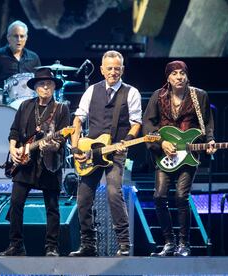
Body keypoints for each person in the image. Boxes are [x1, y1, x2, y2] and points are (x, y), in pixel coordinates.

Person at [69, 50, 142, 257]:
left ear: (122, 70)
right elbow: (77, 121)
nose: (113, 72)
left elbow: (136, 123)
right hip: (90, 152)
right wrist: (75, 148)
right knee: (83, 198)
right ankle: (88, 244)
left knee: (113, 193)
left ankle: (124, 243)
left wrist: (126, 142)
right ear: (101, 70)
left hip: (116, 151)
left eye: (117, 69)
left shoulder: (131, 93)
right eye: (109, 68)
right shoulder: (92, 90)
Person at [142, 60, 216, 257]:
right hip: (164, 154)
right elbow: (148, 125)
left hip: (189, 153)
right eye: (174, 73)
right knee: (159, 196)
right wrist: (161, 144)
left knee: (181, 197)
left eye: (182, 73)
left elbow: (207, 122)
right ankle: (169, 242)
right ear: (168, 77)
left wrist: (210, 141)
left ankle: (184, 243)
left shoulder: (199, 95)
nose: (179, 77)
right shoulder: (159, 96)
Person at [0, 67, 70, 257]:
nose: (45, 87)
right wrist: (13, 148)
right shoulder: (25, 106)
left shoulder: (61, 109)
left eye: (49, 84)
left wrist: (53, 146)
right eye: (41, 84)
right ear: (35, 87)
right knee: (15, 203)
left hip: (50, 163)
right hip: (24, 162)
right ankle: (16, 245)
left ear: (54, 87)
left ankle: (51, 246)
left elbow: (62, 139)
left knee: (52, 207)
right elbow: (14, 131)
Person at [0, 20, 41, 89]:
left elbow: (39, 81)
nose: (19, 39)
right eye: (15, 36)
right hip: (4, 98)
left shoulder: (34, 58)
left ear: (26, 38)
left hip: (30, 98)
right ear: (8, 37)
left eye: (22, 36)